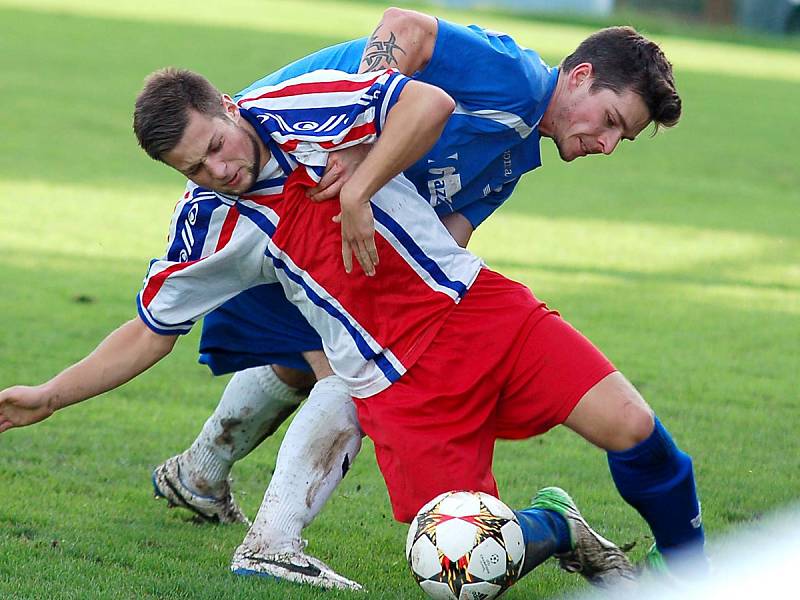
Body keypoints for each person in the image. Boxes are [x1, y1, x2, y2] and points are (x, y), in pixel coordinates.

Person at [0, 58, 702, 597]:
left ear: (225, 105)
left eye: (216, 143)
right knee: (464, 567)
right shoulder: (208, 222)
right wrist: (51, 395)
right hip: (395, 388)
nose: (222, 169)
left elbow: (427, 101)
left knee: (631, 426)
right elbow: (151, 327)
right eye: (196, 168)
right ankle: (555, 524)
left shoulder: (306, 108)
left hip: (477, 311)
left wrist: (360, 185)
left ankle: (698, 575)